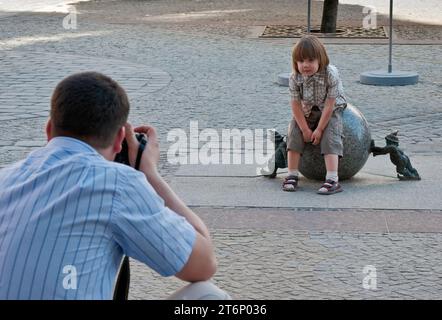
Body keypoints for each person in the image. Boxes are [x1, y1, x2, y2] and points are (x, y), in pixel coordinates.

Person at [0, 72, 230, 300]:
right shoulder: (116, 184)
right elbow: (204, 264)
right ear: (121, 138)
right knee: (209, 296)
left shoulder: (5, 178)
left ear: (49, 129)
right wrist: (149, 174)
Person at [283, 35, 347, 195]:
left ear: (321, 60)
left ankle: (333, 179)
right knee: (294, 133)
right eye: (301, 61)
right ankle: (292, 174)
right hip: (307, 108)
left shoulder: (330, 74)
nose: (305, 65)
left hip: (330, 109)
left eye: (311, 60)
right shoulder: (295, 77)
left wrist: (319, 130)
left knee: (330, 136)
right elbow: (295, 104)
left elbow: (330, 104)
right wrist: (305, 129)